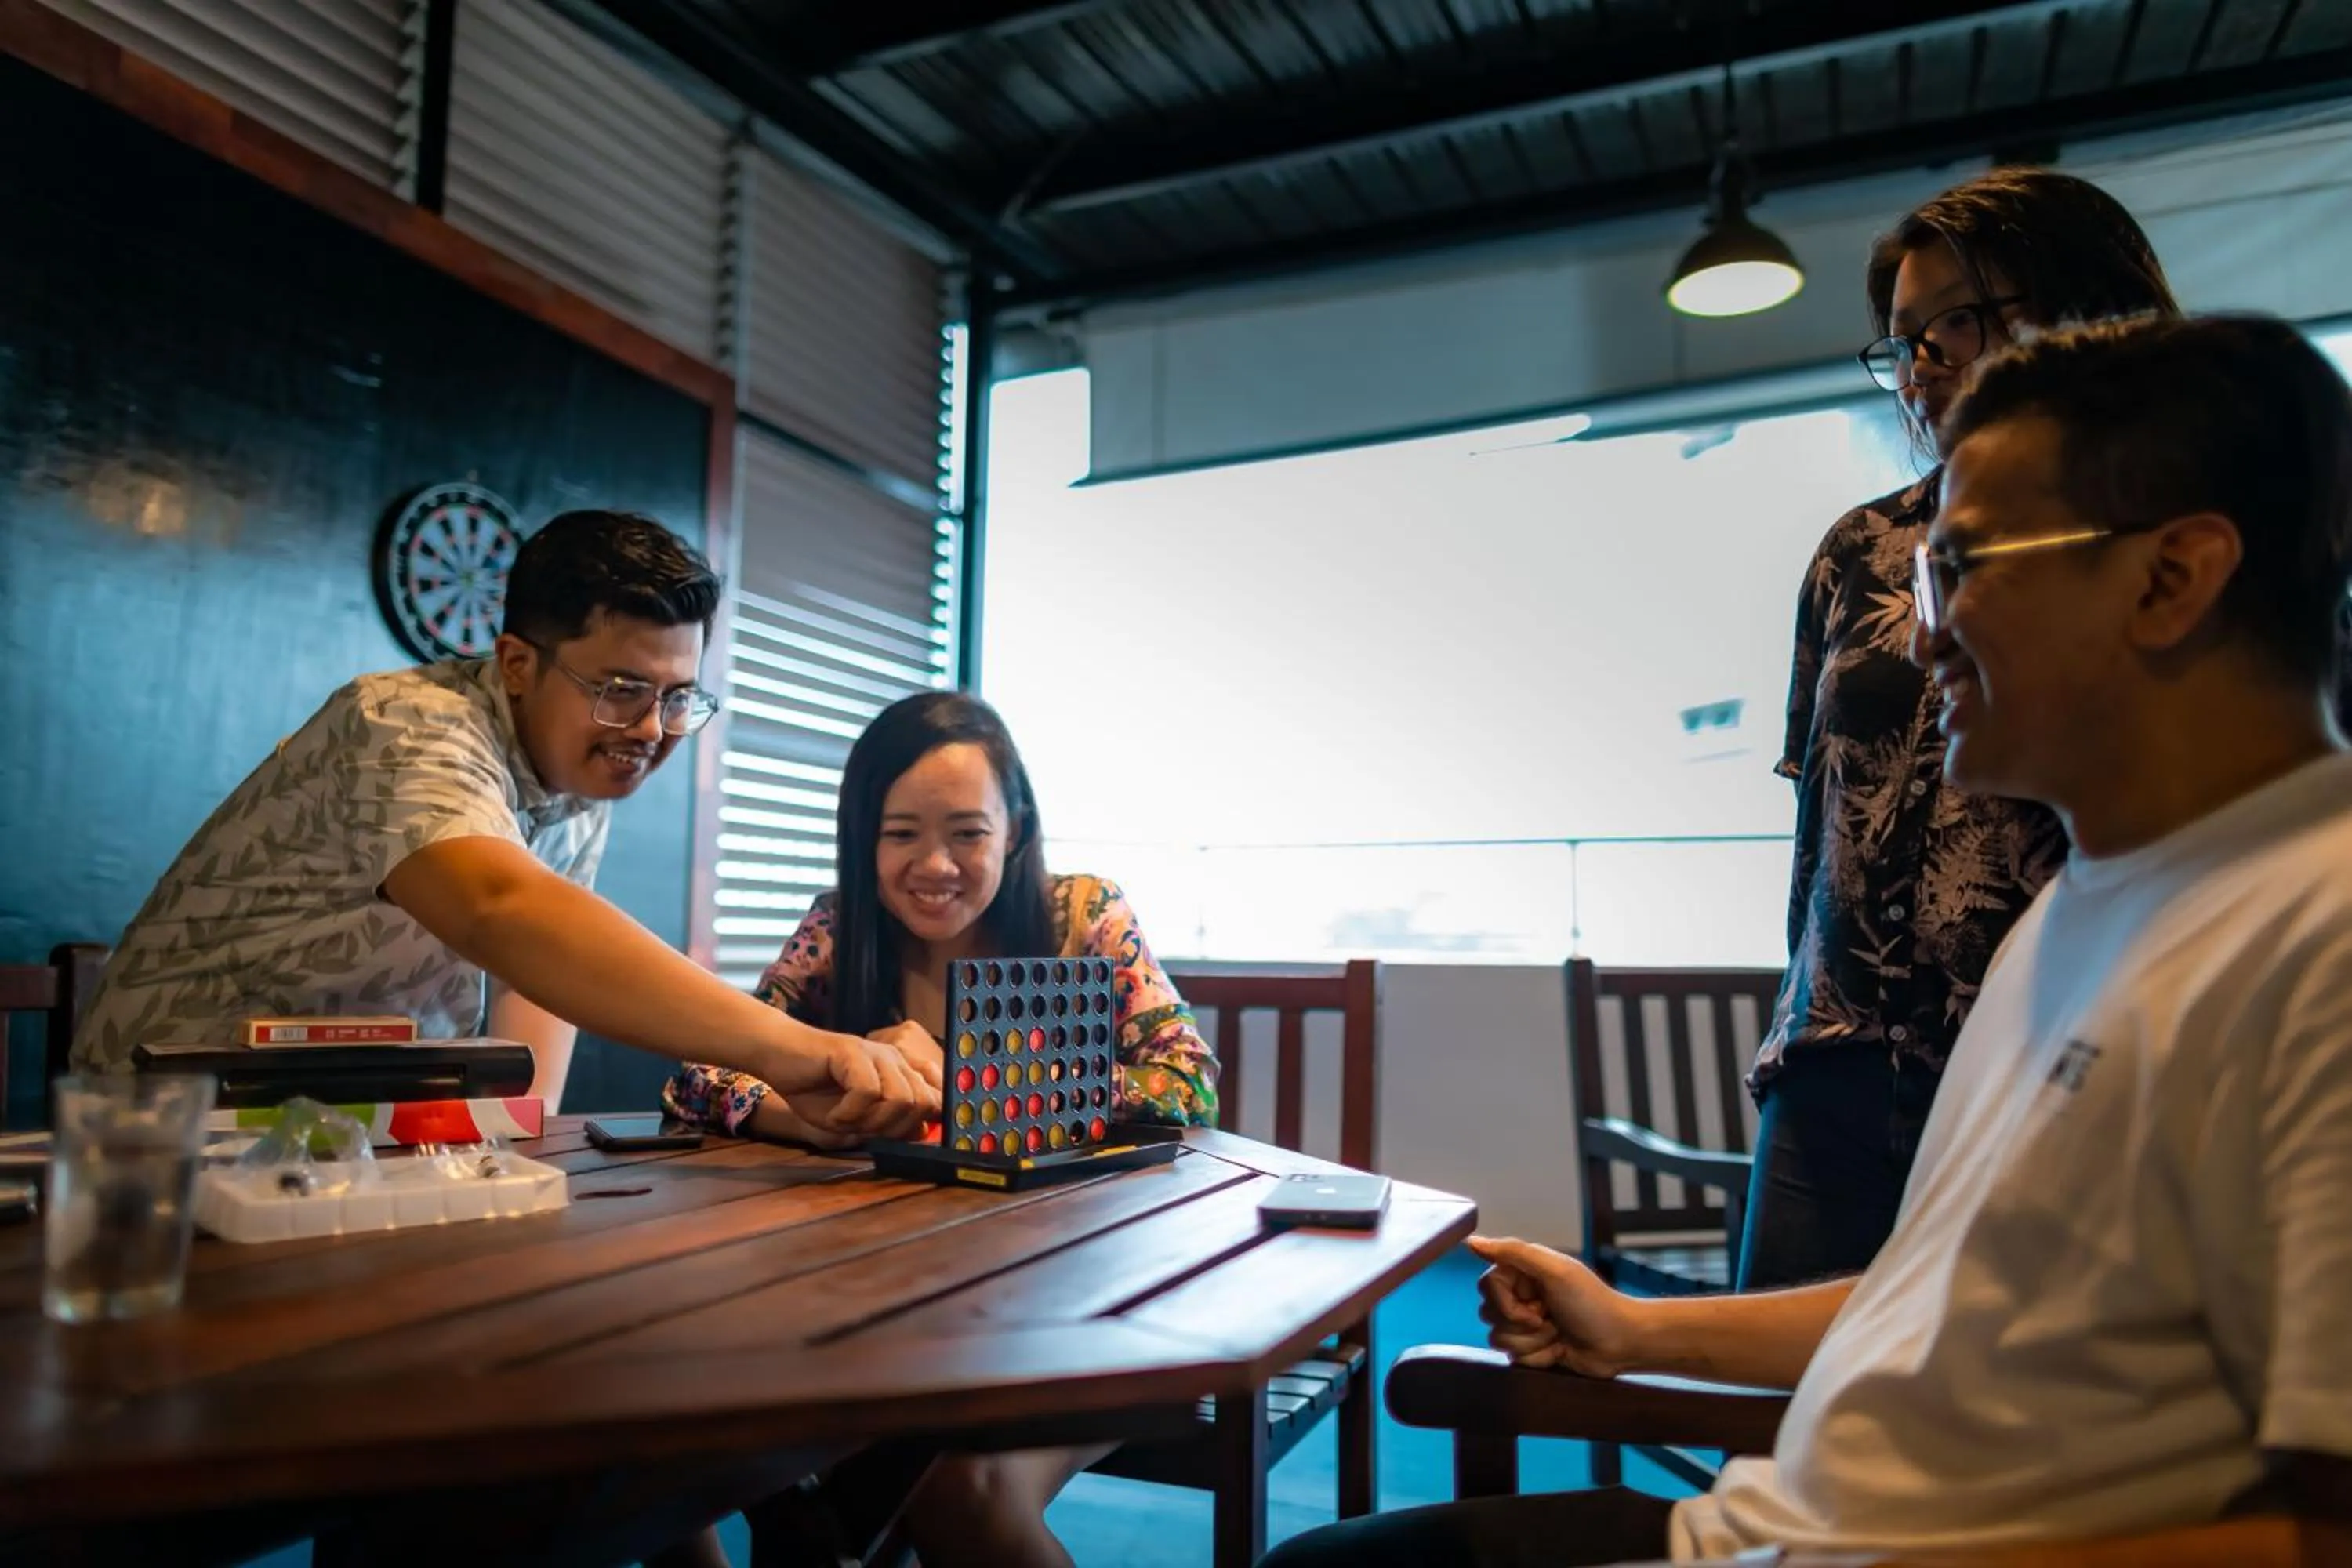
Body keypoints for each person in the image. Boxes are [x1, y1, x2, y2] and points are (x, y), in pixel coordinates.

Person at [1262, 314, 2352, 1567]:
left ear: (2173, 578)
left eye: (1965, 567)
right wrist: (1636, 1329)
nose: (1917, 634)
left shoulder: (2314, 933)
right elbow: (1941, 1302)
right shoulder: (2076, 908)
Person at [71, 510, 938, 1138]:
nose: (649, 729)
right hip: (169, 1126)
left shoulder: (575, 773)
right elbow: (504, 910)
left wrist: (530, 1140)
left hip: (362, 1130)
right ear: (518, 663)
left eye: (678, 698)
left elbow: (537, 978)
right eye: (622, 688)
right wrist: (792, 1051)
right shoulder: (405, 723)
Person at [1742, 168, 2183, 1288]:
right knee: (1780, 1421)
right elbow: (1820, 821)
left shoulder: (2183, 539)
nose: (1923, 367)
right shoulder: (1865, 550)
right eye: (1904, 341)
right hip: (1836, 1058)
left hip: (2061, 1053)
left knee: (2007, 1422)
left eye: (1957, 324)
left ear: (2085, 309)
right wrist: (1796, 1028)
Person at [666, 689, 1218, 1568]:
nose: (935, 863)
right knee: (722, 1443)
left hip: (1092, 1296)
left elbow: (1185, 1079)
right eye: (900, 834)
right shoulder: (839, 927)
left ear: (1016, 828)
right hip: (889, 1296)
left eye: (967, 831)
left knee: (964, 1497)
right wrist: (808, 1114)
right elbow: (697, 1076)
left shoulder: (1084, 915)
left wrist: (971, 1076)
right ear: (862, 837)